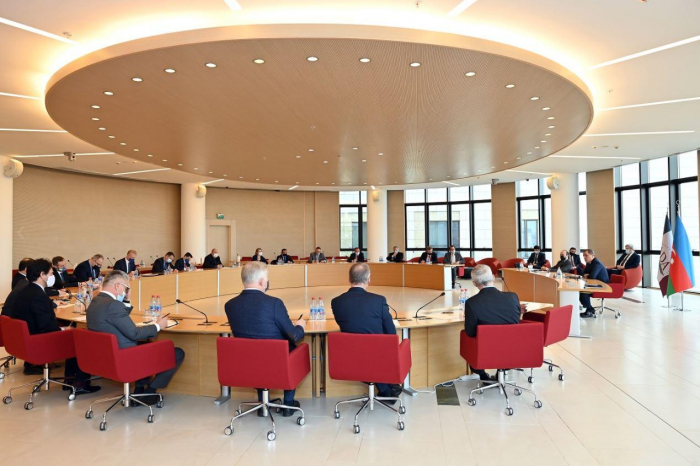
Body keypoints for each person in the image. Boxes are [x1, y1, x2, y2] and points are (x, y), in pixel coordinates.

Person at [86, 270, 184, 405]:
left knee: (144, 346)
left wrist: (126, 300)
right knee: (177, 353)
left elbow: (118, 319)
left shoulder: (95, 302)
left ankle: (139, 389)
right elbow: (134, 333)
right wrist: (158, 326)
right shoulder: (113, 305)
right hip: (124, 358)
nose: (126, 291)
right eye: (126, 288)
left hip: (105, 356)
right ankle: (149, 392)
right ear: (118, 286)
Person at [224, 262, 306, 416]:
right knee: (292, 349)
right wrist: (300, 326)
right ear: (262, 281)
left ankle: (263, 405)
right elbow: (294, 335)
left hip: (248, 362)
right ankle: (288, 404)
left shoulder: (230, 305)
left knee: (255, 349)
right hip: (277, 362)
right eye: (267, 278)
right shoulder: (274, 304)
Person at [13, 259, 99, 393]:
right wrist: (64, 329)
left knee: (73, 331)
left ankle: (70, 379)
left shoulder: (27, 290)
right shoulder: (38, 295)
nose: (52, 276)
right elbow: (47, 327)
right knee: (80, 336)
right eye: (51, 273)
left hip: (26, 339)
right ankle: (79, 383)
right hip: (39, 341)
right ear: (42, 275)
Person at [331, 263, 401, 400]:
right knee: (382, 347)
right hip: (377, 356)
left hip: (351, 355)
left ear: (349, 279)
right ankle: (386, 388)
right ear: (369, 280)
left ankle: (385, 389)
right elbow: (391, 334)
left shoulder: (336, 302)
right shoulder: (379, 300)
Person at [464, 264, 523, 382]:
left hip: (485, 351)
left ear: (474, 283)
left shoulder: (472, 303)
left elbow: (470, 332)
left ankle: (483, 375)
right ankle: (501, 371)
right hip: (512, 348)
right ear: (493, 277)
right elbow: (516, 321)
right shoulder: (513, 297)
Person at [579, 249, 609, 318]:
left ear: (592, 255)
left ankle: (589, 310)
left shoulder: (597, 263)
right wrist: (587, 275)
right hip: (594, 283)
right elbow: (584, 274)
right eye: (583, 256)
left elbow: (592, 276)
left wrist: (588, 275)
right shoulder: (589, 263)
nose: (584, 257)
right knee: (581, 290)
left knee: (583, 292)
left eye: (586, 255)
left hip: (602, 285)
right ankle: (590, 309)